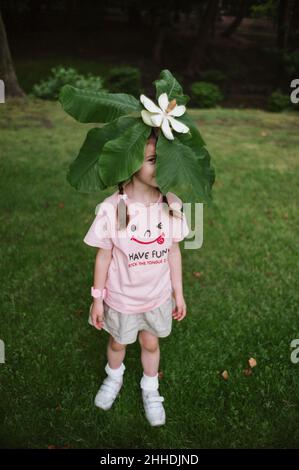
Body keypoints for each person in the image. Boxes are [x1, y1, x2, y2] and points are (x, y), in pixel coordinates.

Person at [84, 128, 190, 426]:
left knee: (150, 344)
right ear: (130, 162)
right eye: (153, 159)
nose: (161, 166)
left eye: (164, 159)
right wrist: (97, 299)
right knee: (118, 343)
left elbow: (173, 252)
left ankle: (150, 389)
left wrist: (178, 293)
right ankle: (113, 377)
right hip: (121, 299)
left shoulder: (171, 205)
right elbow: (104, 254)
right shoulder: (116, 209)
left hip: (156, 297)